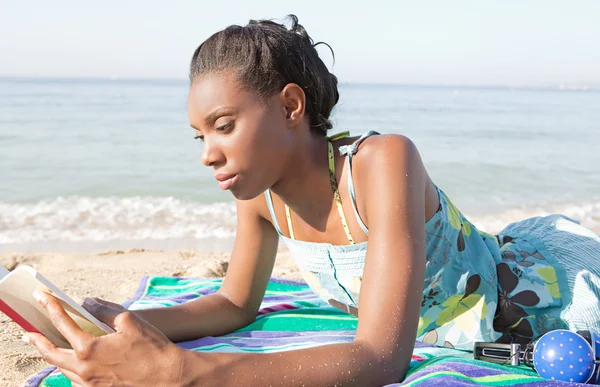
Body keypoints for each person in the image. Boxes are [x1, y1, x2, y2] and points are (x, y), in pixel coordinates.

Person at [26, 15, 600, 386]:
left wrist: (186, 372)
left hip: (526, 298)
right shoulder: (261, 197)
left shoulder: (382, 162)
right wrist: (122, 323)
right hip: (433, 328)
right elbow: (233, 304)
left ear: (290, 106)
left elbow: (379, 357)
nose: (208, 153)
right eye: (201, 137)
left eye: (223, 126)